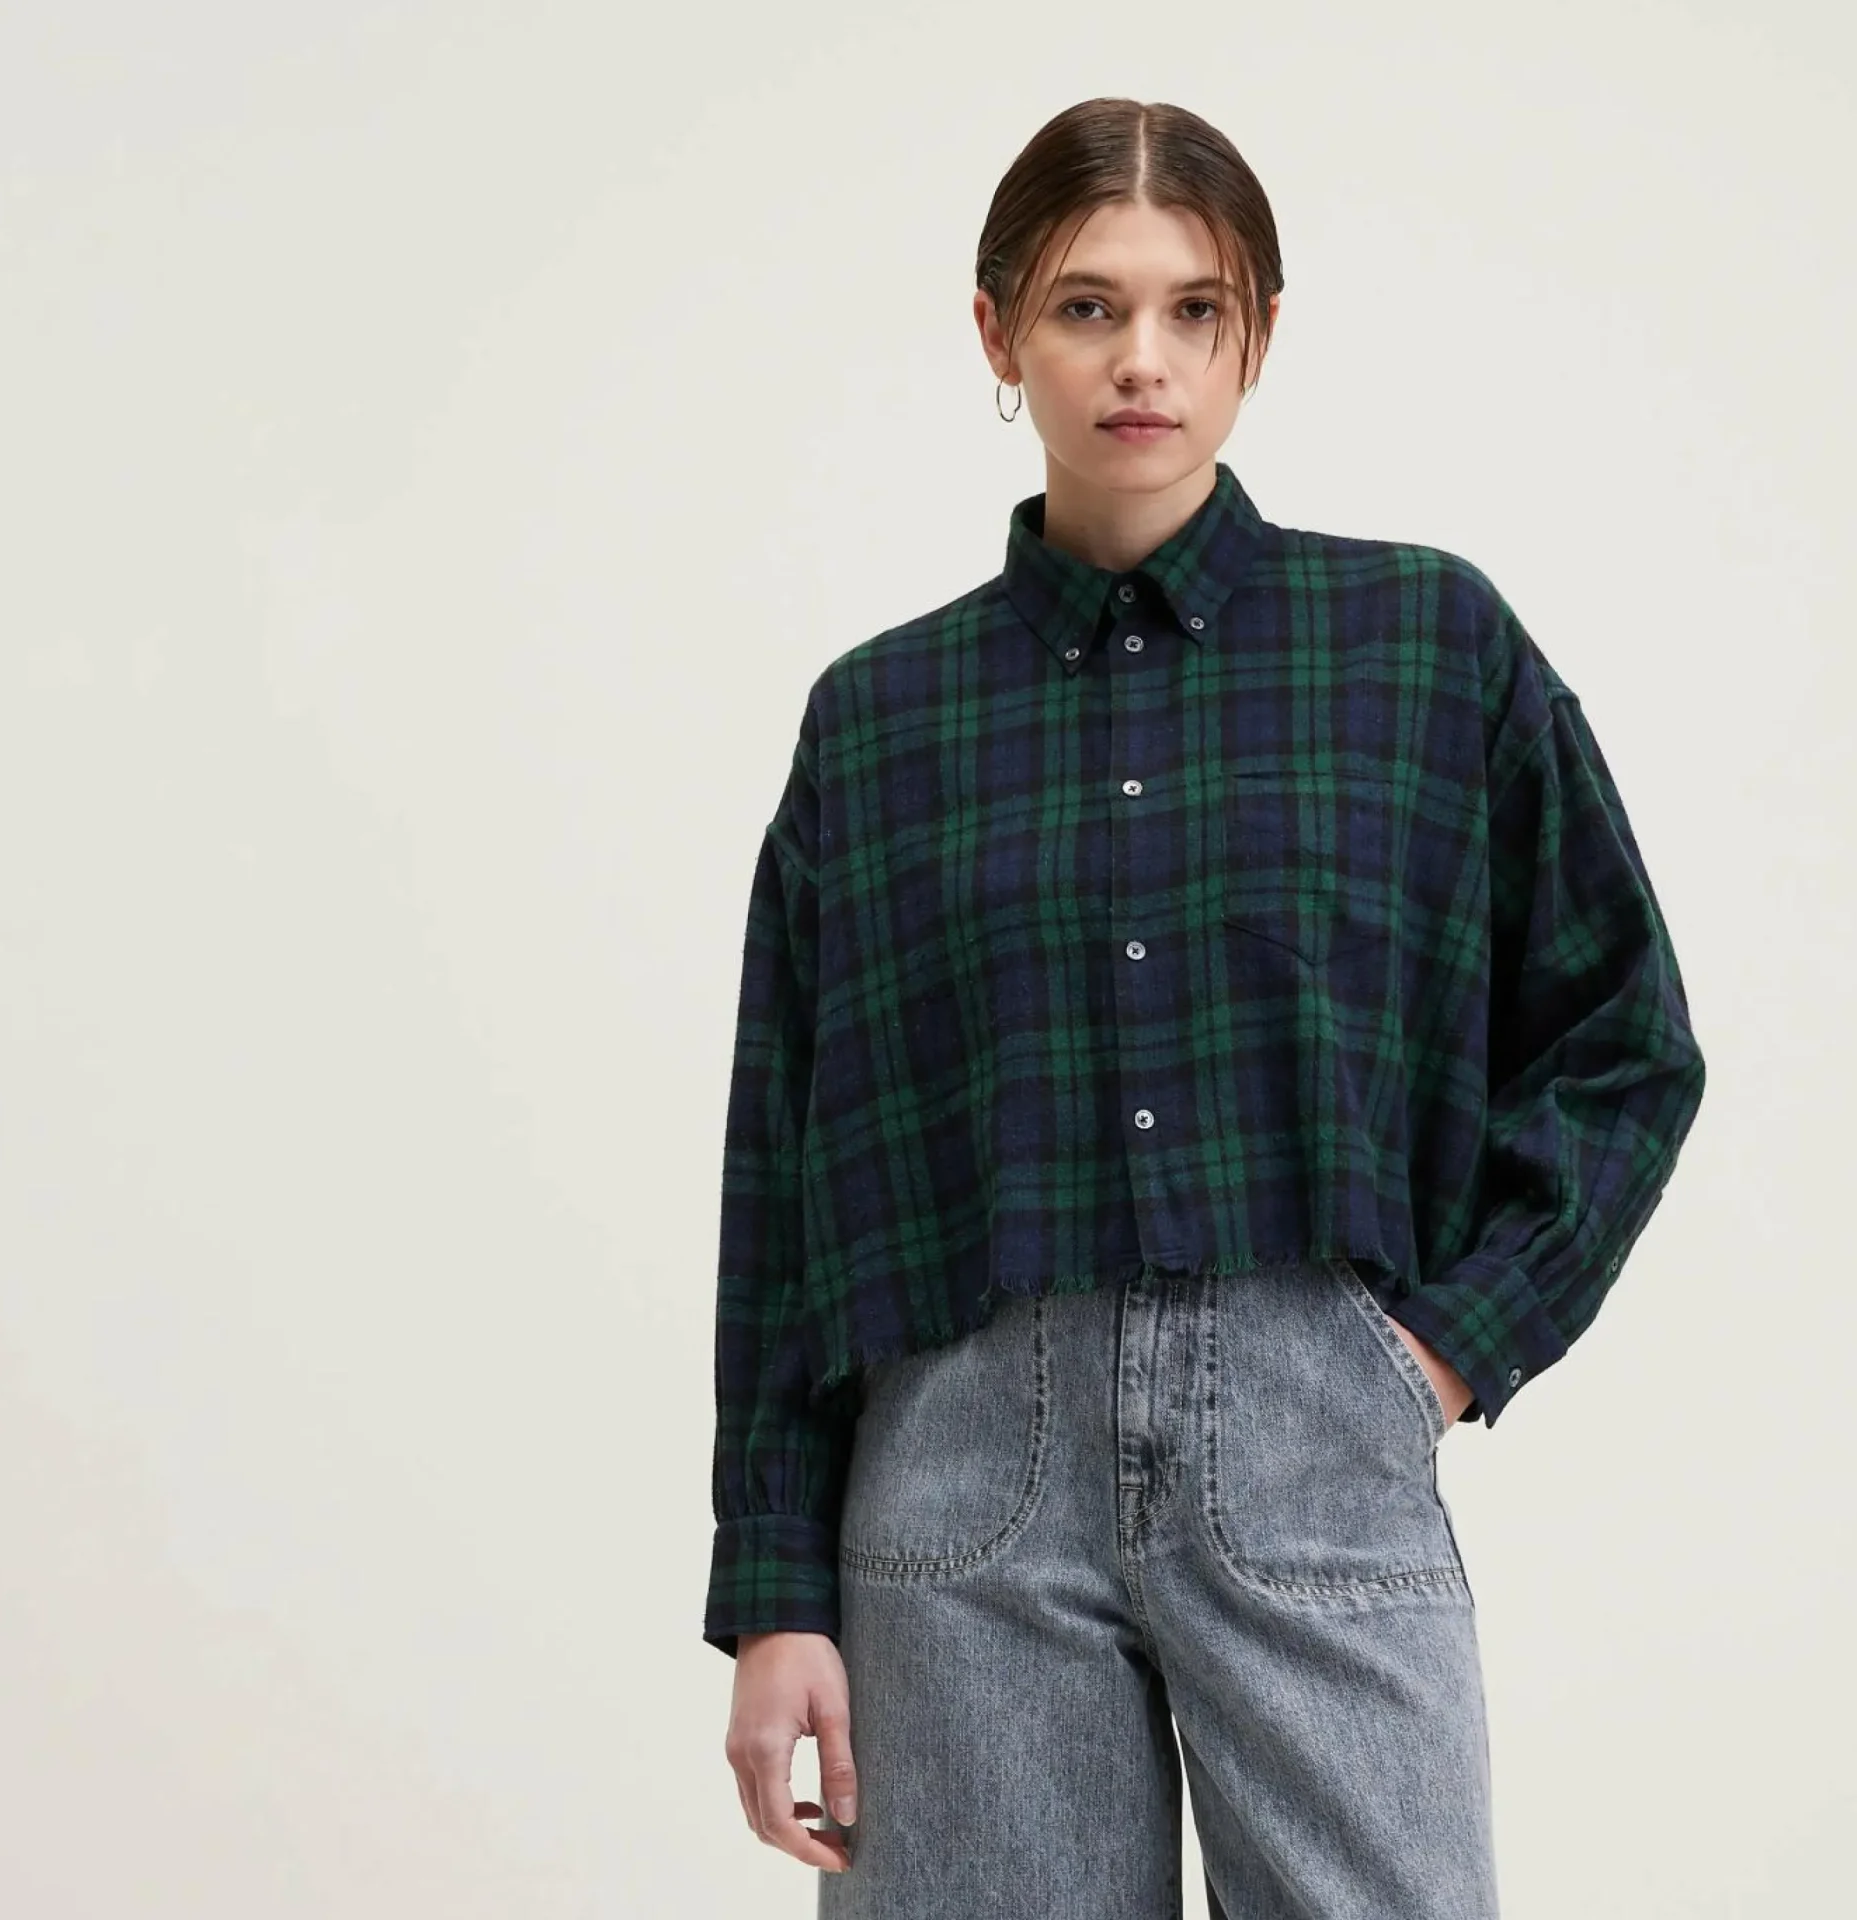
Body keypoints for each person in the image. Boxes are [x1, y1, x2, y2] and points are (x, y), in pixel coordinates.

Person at [711, 96, 1707, 1917]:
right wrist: (775, 1589)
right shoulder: (880, 722)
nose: (1141, 362)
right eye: (1086, 307)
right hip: (958, 1485)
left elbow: (1625, 1044)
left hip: (1315, 1437)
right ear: (998, 332)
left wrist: (1434, 1353)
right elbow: (786, 1181)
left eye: (1195, 310)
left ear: (1259, 337)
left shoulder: (1423, 649)